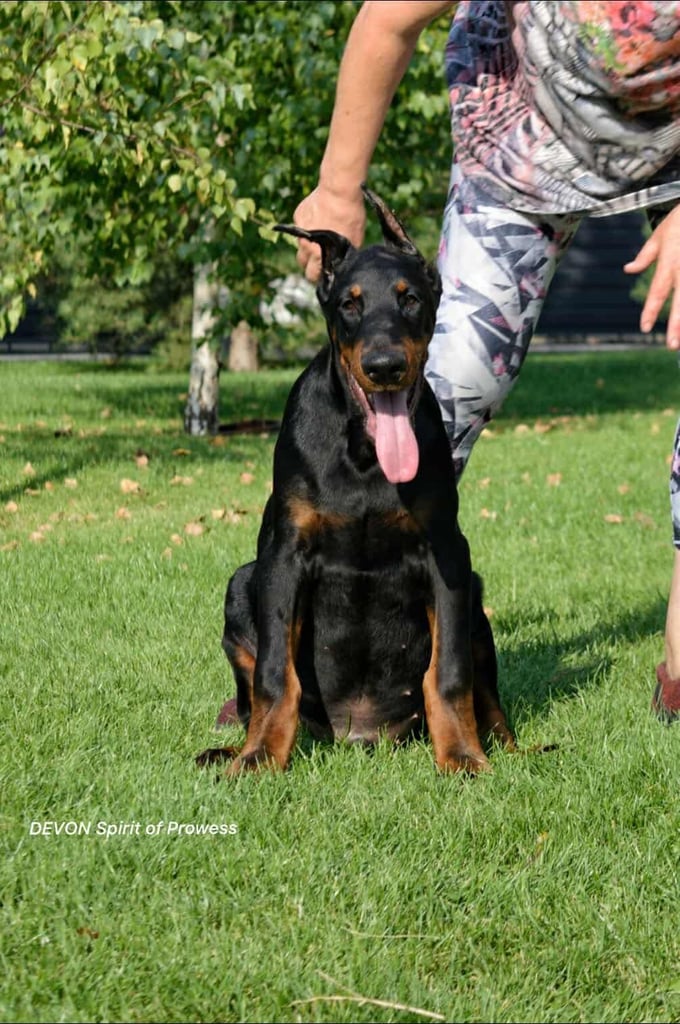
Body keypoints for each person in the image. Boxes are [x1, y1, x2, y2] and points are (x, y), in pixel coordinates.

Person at [292, 1, 680, 719]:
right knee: (451, 384)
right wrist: (339, 187)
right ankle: (333, 658)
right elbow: (388, 21)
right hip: (520, 141)